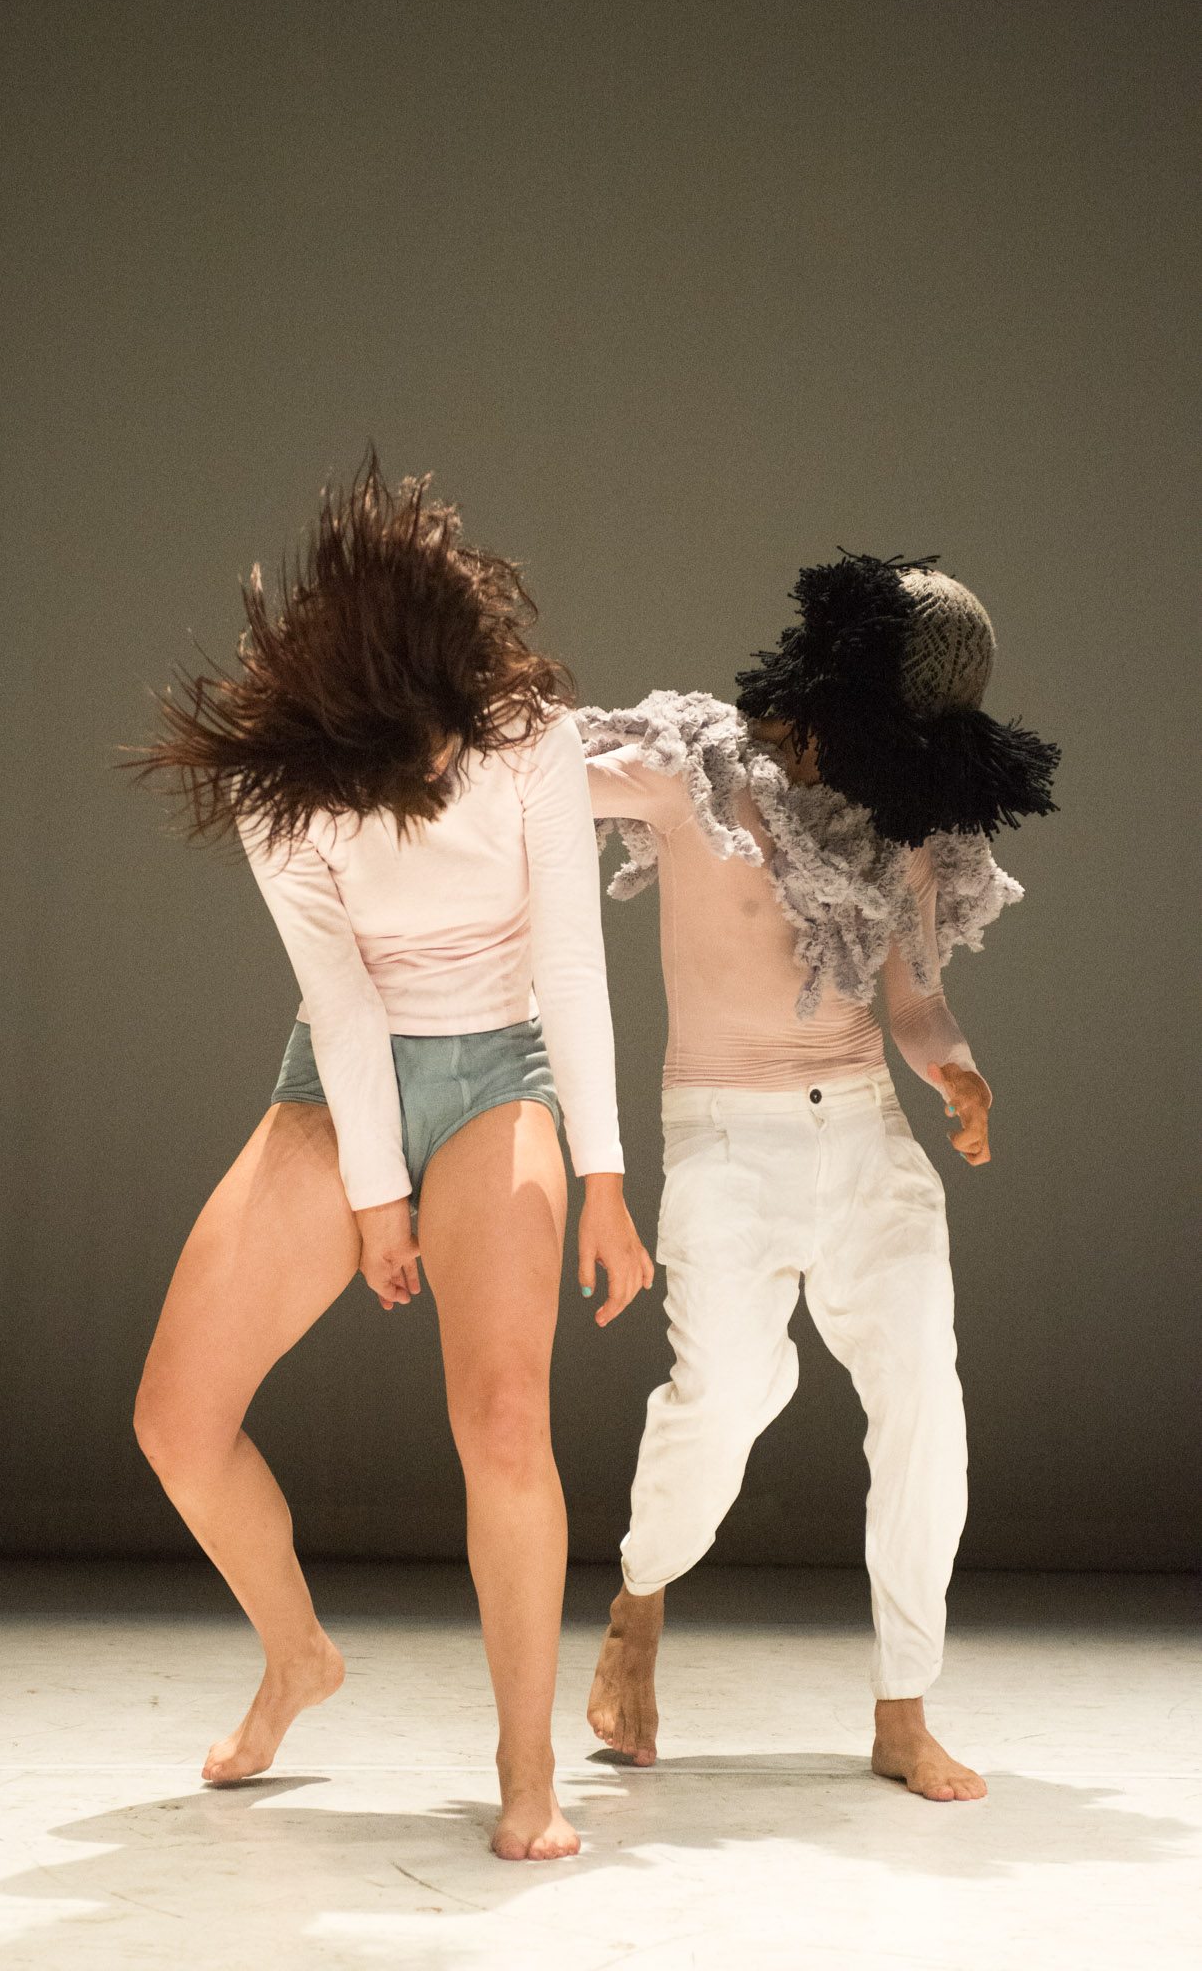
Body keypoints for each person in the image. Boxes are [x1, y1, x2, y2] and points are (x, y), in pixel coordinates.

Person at [128, 458, 653, 1861]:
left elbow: (570, 960)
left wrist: (604, 1181)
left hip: (500, 1073)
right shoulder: (283, 790)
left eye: (443, 736)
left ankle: (526, 1764)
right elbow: (344, 1002)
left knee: (503, 1417)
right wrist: (376, 1198)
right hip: (340, 1078)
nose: (435, 765)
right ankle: (296, 1654)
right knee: (175, 1420)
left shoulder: (525, 736)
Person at [579, 553, 1059, 1802]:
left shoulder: (896, 812)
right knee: (722, 1401)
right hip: (725, 1141)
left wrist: (955, 1070)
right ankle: (637, 1605)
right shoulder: (693, 772)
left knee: (924, 1406)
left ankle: (903, 1708)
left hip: (864, 1137)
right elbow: (522, 792)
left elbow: (914, 999)